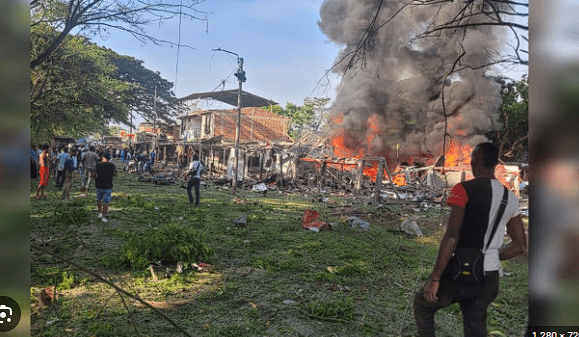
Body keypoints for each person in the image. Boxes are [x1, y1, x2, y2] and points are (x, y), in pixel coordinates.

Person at [413, 142, 527, 337]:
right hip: (488, 279)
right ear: (494, 165)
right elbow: (520, 246)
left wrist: (435, 278)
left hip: (459, 274)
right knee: (475, 325)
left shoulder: (461, 190)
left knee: (423, 304)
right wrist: (493, 256)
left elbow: (452, 236)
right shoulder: (510, 198)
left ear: (474, 162)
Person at [95, 152, 117, 223]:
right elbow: (115, 174)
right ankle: (104, 217)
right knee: (106, 201)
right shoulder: (112, 165)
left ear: (103, 157)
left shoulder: (98, 165)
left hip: (99, 184)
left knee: (99, 199)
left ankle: (100, 213)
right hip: (108, 185)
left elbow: (93, 174)